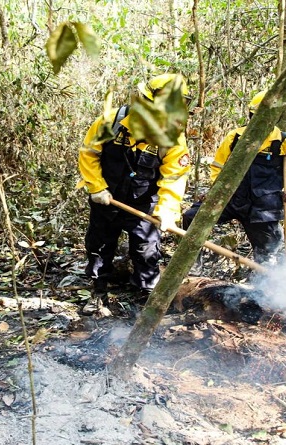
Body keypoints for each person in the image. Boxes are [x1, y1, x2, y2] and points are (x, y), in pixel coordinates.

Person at [78, 73, 192, 314]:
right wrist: (96, 187)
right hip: (107, 198)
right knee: (99, 246)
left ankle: (147, 299)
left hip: (144, 202)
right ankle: (98, 292)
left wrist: (167, 211)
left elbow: (174, 176)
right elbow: (89, 153)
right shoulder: (110, 122)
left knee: (146, 250)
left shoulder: (173, 137)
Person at [182, 91, 286, 271]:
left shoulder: (285, 141)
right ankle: (191, 266)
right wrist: (216, 189)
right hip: (230, 198)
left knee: (268, 250)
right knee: (191, 217)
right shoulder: (235, 137)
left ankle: (263, 283)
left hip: (263, 206)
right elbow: (217, 166)